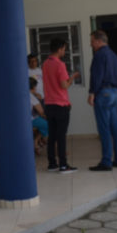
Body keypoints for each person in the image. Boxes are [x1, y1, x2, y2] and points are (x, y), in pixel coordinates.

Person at [87, 30, 117, 171]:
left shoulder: (99, 55)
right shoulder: (114, 55)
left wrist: (92, 93)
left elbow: (97, 76)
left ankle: (106, 161)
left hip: (103, 93)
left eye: (92, 41)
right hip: (115, 92)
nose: (91, 44)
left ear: (98, 40)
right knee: (115, 127)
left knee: (104, 129)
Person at [42, 38, 79, 173]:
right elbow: (64, 85)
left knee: (52, 136)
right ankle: (63, 165)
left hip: (49, 105)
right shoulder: (60, 65)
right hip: (61, 105)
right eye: (64, 49)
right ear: (59, 49)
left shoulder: (45, 64)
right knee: (61, 136)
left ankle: (52, 163)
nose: (65, 51)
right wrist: (72, 77)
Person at [29, 77, 48, 154]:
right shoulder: (31, 97)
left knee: (42, 122)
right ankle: (37, 141)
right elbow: (41, 111)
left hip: (26, 119)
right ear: (33, 87)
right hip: (31, 120)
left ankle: (38, 141)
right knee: (49, 124)